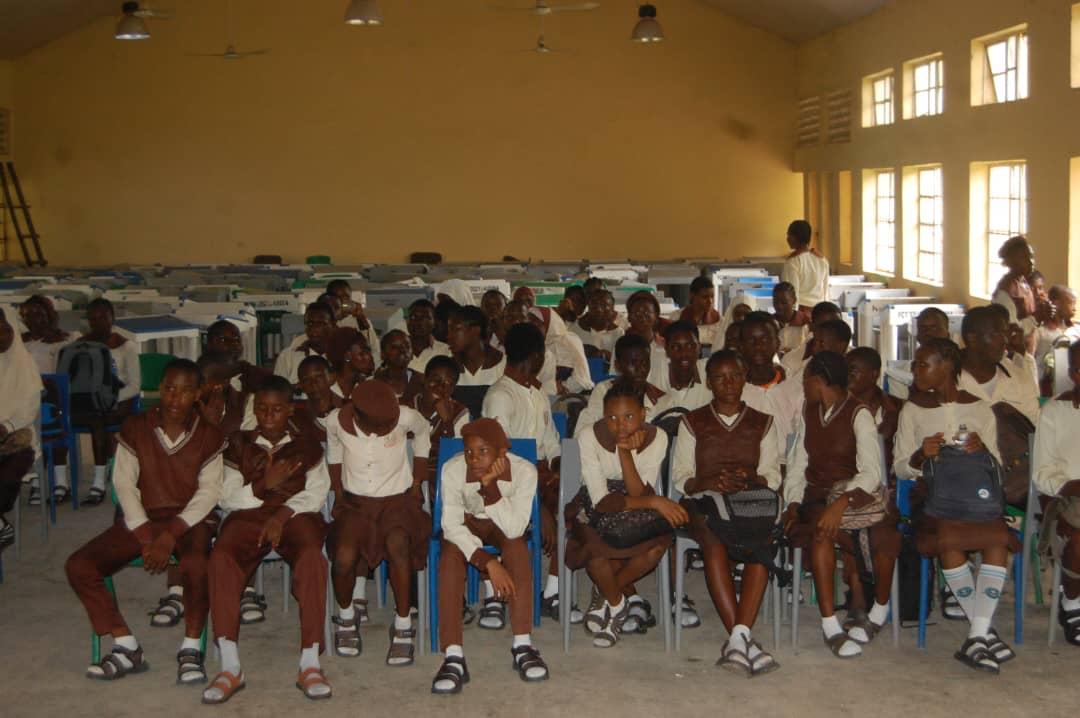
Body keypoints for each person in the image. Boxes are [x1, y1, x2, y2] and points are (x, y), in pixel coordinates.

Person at [65, 359, 225, 684]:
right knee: (80, 566)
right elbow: (124, 483)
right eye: (169, 389)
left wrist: (170, 535)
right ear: (159, 389)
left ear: (198, 394)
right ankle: (126, 644)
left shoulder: (209, 434)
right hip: (144, 517)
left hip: (191, 521)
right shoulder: (136, 426)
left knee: (197, 565)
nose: (175, 398)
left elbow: (209, 493)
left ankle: (191, 648)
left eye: (185, 391)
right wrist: (145, 533)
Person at [202, 376, 332, 704]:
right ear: (254, 409)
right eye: (262, 409)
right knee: (221, 557)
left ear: (290, 410)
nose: (269, 416)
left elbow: (317, 493)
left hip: (296, 514)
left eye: (276, 409)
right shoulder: (238, 443)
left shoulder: (307, 444)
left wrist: (282, 515)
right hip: (248, 513)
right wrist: (264, 485)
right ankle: (230, 665)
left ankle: (310, 662)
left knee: (312, 559)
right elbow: (227, 497)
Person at [893, 338, 1015, 673]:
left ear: (947, 367)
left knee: (997, 538)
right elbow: (900, 467)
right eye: (915, 365)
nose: (916, 371)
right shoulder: (913, 409)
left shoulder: (979, 408)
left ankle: (977, 635)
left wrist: (982, 451)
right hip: (932, 498)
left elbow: (998, 467)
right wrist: (920, 455)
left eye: (923, 364)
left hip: (976, 498)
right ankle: (983, 634)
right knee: (949, 538)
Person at [673, 351, 783, 675]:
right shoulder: (692, 421)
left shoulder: (763, 422)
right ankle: (743, 639)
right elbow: (681, 476)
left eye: (735, 375)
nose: (728, 383)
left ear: (744, 378)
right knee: (713, 543)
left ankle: (737, 639)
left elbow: (773, 474)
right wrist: (710, 481)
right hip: (703, 499)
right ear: (709, 383)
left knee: (761, 544)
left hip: (749, 500)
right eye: (720, 377)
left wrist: (750, 478)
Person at [783, 351, 897, 659]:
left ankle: (879, 610)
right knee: (823, 533)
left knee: (884, 538)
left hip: (854, 494)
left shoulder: (859, 414)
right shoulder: (809, 410)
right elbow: (798, 463)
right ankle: (830, 624)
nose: (804, 387)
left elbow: (872, 471)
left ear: (819, 381)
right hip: (818, 496)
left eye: (806, 381)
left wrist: (843, 501)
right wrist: (793, 501)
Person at [432, 418, 548, 693]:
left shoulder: (524, 471)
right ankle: (453, 656)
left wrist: (490, 487)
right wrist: (488, 562)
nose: (473, 459)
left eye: (483, 451)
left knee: (517, 549)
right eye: (469, 452)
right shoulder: (452, 469)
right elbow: (451, 525)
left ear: (501, 452)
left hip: (503, 523)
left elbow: (515, 528)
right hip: (465, 525)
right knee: (449, 559)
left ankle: (522, 645)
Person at [325, 380, 431, 665]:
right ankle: (347, 616)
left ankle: (403, 623)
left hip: (397, 502)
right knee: (344, 557)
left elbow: (424, 432)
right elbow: (333, 448)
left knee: (398, 545)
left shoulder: (405, 415)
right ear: (357, 416)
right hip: (356, 503)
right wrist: (337, 488)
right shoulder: (336, 421)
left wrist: (417, 479)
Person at [567, 379, 678, 647]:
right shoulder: (589, 436)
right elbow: (601, 500)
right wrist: (656, 502)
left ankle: (606, 593)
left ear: (643, 415)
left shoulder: (658, 437)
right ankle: (617, 605)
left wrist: (625, 453)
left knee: (655, 548)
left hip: (635, 503)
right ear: (603, 417)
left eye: (629, 417)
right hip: (596, 505)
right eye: (612, 418)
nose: (620, 426)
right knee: (596, 554)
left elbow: (638, 491)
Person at [482, 323, 563, 616]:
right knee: (536, 512)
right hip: (506, 478)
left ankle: (552, 591)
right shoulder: (500, 396)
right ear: (538, 357)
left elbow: (552, 443)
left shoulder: (537, 394)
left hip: (540, 473)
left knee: (574, 506)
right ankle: (493, 592)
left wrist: (560, 470)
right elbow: (499, 458)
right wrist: (536, 504)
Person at [73, 298, 143, 506]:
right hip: (89, 401)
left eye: (102, 317)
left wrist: (111, 398)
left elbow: (135, 385)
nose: (98, 323)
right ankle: (89, 478)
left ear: (112, 318)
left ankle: (98, 482)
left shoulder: (125, 346)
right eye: (93, 319)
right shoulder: (81, 344)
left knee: (98, 421)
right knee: (91, 417)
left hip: (119, 400)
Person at [1033, 340, 1080, 645]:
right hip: (1069, 497)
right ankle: (1073, 601)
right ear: (1074, 373)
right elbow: (1042, 473)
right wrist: (1071, 485)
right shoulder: (1055, 411)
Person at [0, 309, 40, 550]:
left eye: (5, 330)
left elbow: (29, 409)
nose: (1, 336)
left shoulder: (24, 363)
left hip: (19, 438)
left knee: (5, 477)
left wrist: (6, 427)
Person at [574, 334, 666, 437]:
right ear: (617, 365)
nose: (640, 369)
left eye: (644, 363)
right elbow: (581, 432)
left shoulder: (660, 398)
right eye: (633, 363)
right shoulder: (604, 390)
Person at [408, 355, 470, 491]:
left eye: (448, 384)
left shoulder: (459, 412)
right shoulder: (406, 406)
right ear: (425, 380)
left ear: (453, 389)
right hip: (405, 475)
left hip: (439, 478)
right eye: (435, 380)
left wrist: (447, 422)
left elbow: (455, 458)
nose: (440, 387)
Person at [648, 321, 712, 417]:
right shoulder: (653, 373)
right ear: (666, 349)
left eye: (690, 346)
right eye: (676, 347)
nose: (684, 353)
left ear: (699, 348)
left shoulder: (711, 371)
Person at [992, 236, 1037, 351]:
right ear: (1011, 262)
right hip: (1013, 353)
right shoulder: (1004, 292)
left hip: (1028, 350)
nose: (1031, 262)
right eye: (1024, 257)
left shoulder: (1025, 283)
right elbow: (1011, 329)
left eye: (1031, 256)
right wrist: (1036, 318)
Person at [274, 302, 336, 385]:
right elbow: (278, 390)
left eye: (321, 323)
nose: (314, 328)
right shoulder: (288, 357)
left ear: (333, 325)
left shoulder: (342, 356)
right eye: (310, 323)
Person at [780, 301, 843, 377]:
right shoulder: (790, 359)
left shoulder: (850, 360)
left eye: (837, 326)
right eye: (825, 327)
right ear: (812, 326)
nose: (832, 332)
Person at [447, 306, 505, 388]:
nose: (449, 336)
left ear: (475, 330)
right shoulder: (448, 368)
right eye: (449, 330)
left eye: (455, 329)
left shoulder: (503, 365)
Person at [326, 279, 381, 365]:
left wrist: (361, 318)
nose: (343, 301)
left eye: (346, 297)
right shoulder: (325, 319)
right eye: (338, 297)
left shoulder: (357, 318)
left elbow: (373, 347)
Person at [781, 220, 829, 312]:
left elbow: (791, 295)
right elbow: (825, 292)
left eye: (789, 235)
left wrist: (793, 316)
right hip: (819, 311)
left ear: (796, 237)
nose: (787, 239)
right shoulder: (822, 260)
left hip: (800, 312)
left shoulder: (793, 262)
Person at [19, 294, 73, 374]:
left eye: (38, 314)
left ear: (50, 315)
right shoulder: (18, 340)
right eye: (27, 315)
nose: (32, 319)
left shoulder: (66, 341)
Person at [570, 289, 624, 361]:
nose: (599, 309)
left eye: (604, 305)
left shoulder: (619, 333)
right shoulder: (574, 329)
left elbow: (622, 362)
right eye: (594, 304)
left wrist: (609, 357)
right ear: (588, 306)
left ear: (612, 308)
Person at [374, 329, 425, 402]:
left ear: (412, 355)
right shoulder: (374, 384)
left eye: (407, 346)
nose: (403, 350)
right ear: (382, 354)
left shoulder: (423, 383)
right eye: (395, 347)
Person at [326, 327, 375, 400]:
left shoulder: (367, 386)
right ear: (347, 356)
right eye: (362, 353)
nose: (369, 357)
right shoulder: (326, 386)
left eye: (368, 352)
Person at [406, 299, 451, 373]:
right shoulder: (396, 350)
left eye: (425, 317)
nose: (418, 321)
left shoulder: (446, 352)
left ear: (435, 322)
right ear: (407, 321)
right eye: (413, 317)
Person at [676, 277, 722, 350]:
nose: (710, 301)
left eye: (712, 297)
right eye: (705, 297)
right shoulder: (676, 317)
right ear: (692, 295)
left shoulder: (720, 321)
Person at [772, 281, 810, 356]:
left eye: (784, 303)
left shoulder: (805, 322)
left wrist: (793, 353)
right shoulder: (770, 323)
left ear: (794, 300)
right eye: (775, 302)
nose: (779, 306)